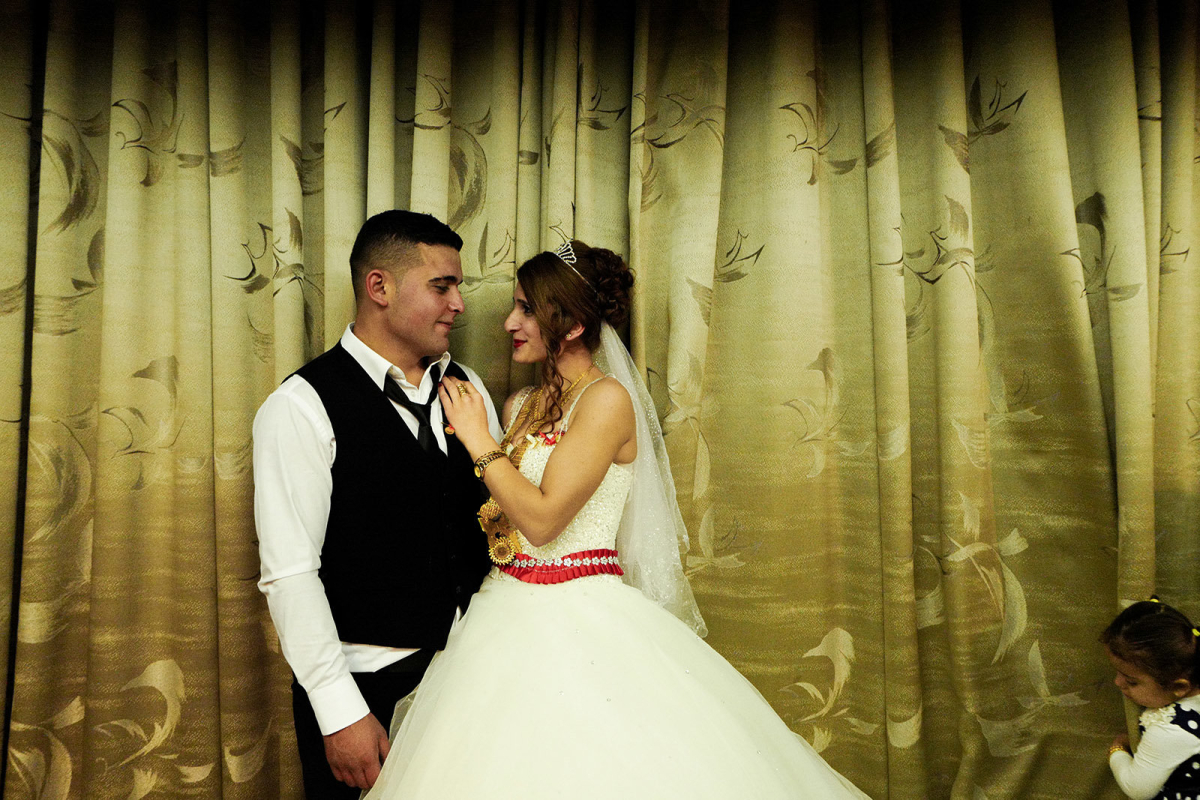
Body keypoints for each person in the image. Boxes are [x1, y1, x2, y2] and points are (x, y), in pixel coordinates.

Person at [362, 240, 870, 799]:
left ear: (573, 325)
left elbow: (544, 520)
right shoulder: (521, 405)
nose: (509, 322)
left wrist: (480, 442)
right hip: (500, 610)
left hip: (580, 615)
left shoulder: (606, 402)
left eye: (527, 308)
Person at [253, 210, 501, 798]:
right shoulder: (299, 406)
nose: (459, 304)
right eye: (442, 286)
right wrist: (339, 711)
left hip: (474, 678)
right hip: (367, 691)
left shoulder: (467, 387)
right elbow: (290, 575)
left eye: (458, 287)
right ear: (380, 288)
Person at [1102, 598, 1200, 800]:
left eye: (1131, 681)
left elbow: (1137, 788)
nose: (1117, 682)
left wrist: (1117, 749)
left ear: (1178, 687)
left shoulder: (1170, 730)